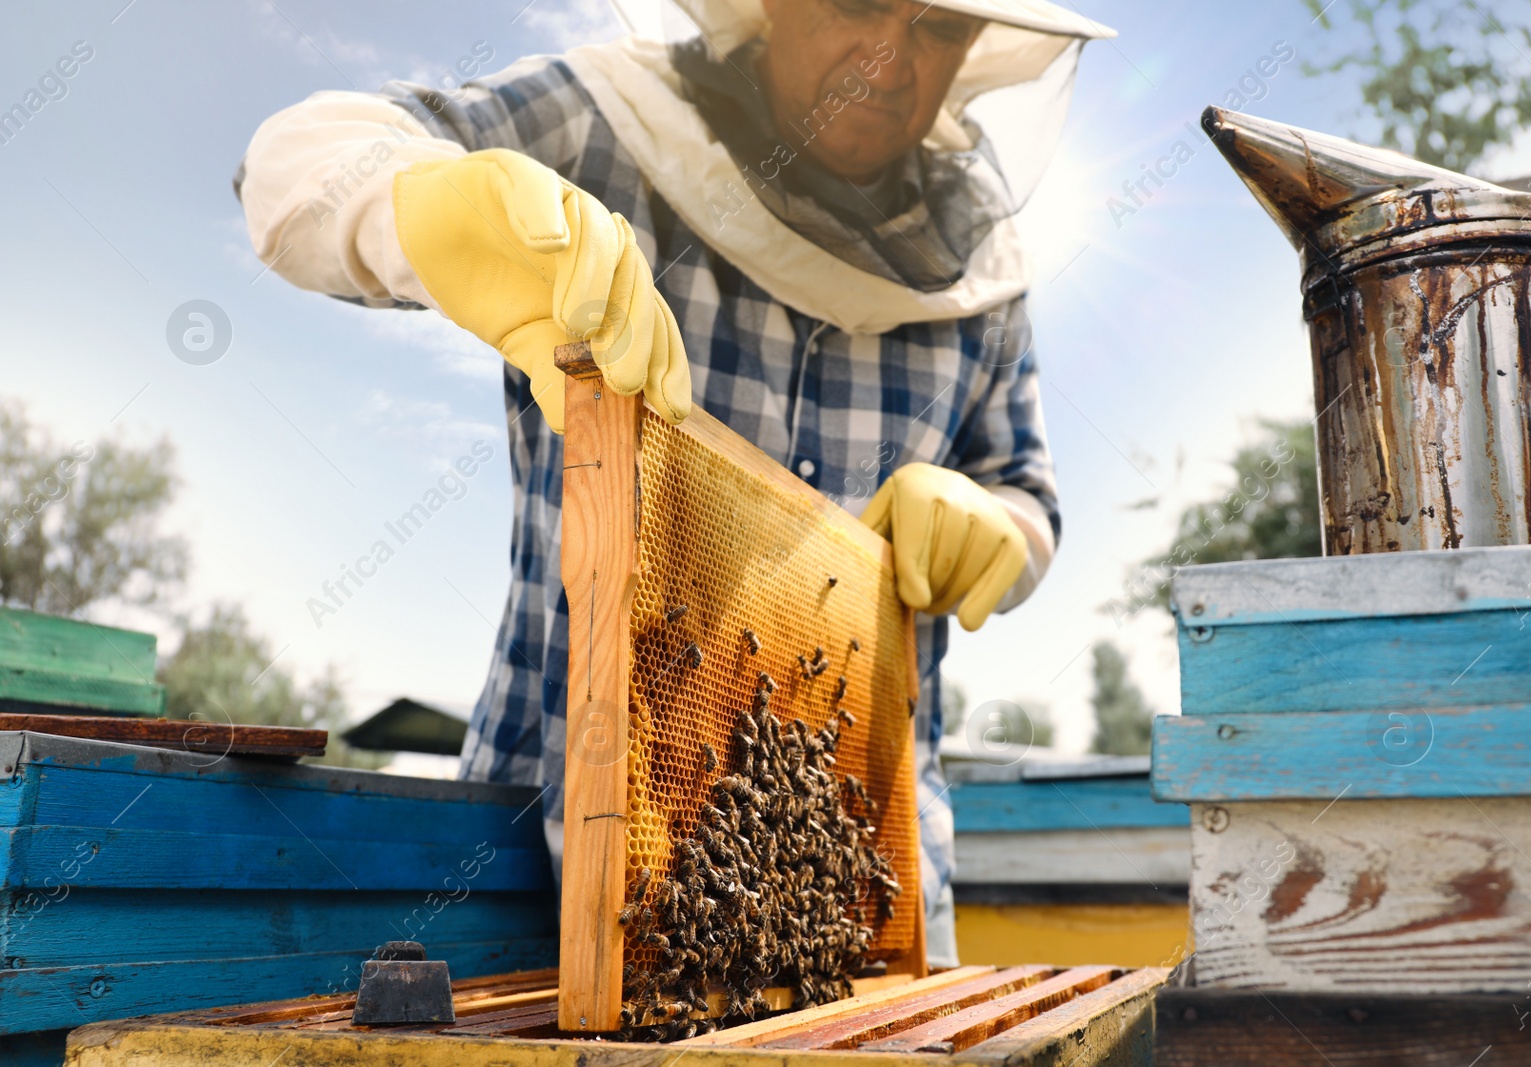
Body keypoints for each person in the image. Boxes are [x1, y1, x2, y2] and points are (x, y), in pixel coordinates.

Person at [238, 0, 1112, 967]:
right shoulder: (605, 121)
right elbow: (293, 168)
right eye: (857, 4)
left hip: (866, 874)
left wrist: (998, 525)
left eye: (938, 27)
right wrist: (428, 205)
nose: (891, 58)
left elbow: (1029, 492)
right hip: (535, 850)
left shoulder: (987, 272)